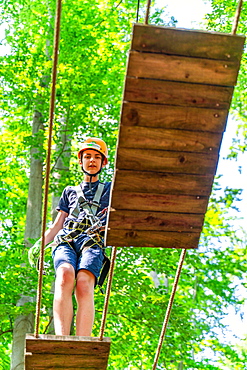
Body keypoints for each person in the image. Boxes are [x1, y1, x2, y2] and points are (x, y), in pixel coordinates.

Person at [29, 137, 111, 336]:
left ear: (103, 163)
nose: (92, 161)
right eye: (87, 157)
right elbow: (58, 224)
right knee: (65, 276)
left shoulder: (110, 189)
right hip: (66, 240)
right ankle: (62, 337)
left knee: (83, 284)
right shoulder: (70, 192)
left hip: (92, 241)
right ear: (81, 161)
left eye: (96, 158)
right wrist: (41, 244)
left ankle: (82, 338)